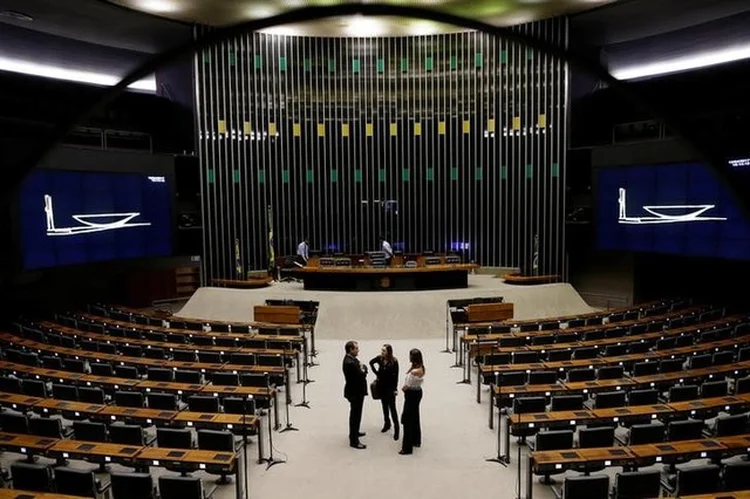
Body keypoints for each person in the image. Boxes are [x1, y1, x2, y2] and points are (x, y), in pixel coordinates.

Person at [369, 344, 400, 440]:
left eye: (384, 351)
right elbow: (371, 362)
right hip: (381, 386)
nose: (381, 352)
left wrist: (395, 389)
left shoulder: (394, 361)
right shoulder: (380, 359)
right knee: (384, 406)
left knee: (392, 408)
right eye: (381, 350)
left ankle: (397, 428)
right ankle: (387, 423)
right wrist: (376, 373)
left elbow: (396, 377)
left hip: (390, 388)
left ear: (389, 352)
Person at [342, 340, 368, 449]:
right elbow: (361, 374)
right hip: (355, 392)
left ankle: (355, 432)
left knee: (357, 414)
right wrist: (363, 370)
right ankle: (354, 440)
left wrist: (363, 369)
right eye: (356, 348)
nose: (358, 350)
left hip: (356, 391)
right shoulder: (350, 363)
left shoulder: (352, 359)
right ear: (351, 349)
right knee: (355, 416)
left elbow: (363, 366)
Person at [400, 348, 424, 455]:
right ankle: (416, 440)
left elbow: (407, 385)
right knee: (414, 417)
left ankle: (407, 447)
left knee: (407, 419)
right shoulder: (418, 367)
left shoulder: (415, 371)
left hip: (412, 394)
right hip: (416, 393)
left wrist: (404, 388)